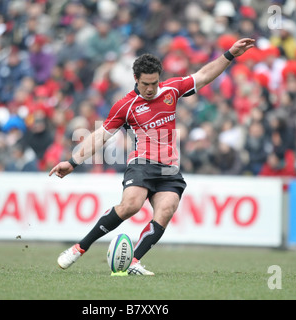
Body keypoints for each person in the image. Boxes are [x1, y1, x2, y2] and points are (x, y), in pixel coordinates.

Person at [49, 38, 255, 275]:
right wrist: (73, 161)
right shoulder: (125, 106)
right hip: (142, 162)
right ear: (136, 79)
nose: (150, 88)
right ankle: (79, 248)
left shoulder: (171, 89)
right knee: (130, 206)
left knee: (166, 210)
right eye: (146, 83)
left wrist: (230, 54)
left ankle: (134, 261)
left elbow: (204, 75)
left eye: (154, 83)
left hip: (169, 168)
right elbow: (99, 136)